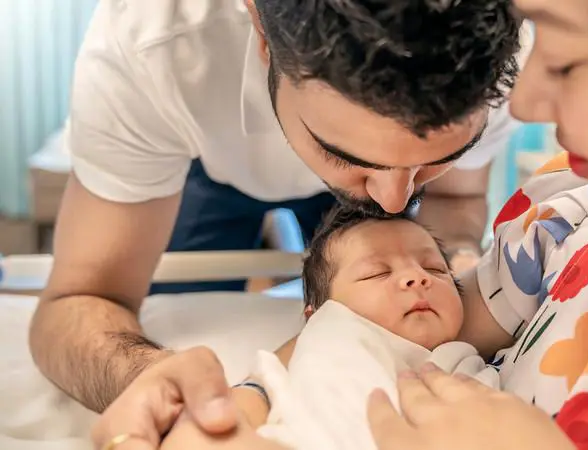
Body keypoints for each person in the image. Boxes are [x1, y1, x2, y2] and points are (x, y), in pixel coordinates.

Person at [98, 0, 588, 448]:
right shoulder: (564, 217)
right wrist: (235, 403)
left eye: (564, 58)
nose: (522, 103)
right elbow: (359, 328)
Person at [29, 0, 524, 442]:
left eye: (442, 156)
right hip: (205, 163)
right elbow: (81, 297)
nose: (394, 202)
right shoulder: (153, 48)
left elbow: (456, 199)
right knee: (184, 292)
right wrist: (153, 377)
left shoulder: (501, 50)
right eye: (343, 154)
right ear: (261, 30)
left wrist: (456, 262)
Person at [162, 208, 498, 450]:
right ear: (316, 315)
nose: (418, 277)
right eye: (377, 273)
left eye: (435, 269)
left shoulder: (471, 361)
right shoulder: (331, 334)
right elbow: (257, 394)